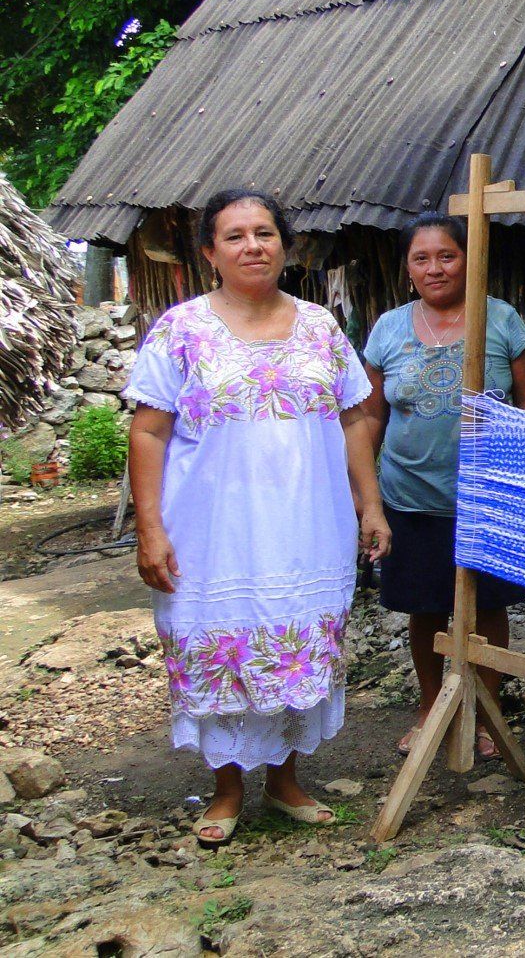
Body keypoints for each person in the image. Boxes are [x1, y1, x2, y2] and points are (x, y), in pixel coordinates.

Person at [126, 189, 390, 848]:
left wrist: (370, 504)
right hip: (211, 532)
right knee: (217, 644)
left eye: (265, 233)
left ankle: (284, 782)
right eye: (235, 236)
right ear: (210, 252)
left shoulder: (320, 327)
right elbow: (149, 432)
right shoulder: (181, 331)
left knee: (294, 646)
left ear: (285, 246)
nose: (253, 246)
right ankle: (226, 789)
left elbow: (354, 419)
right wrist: (150, 528)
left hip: (306, 527)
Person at [361, 212, 525, 758]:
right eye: (421, 258)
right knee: (426, 607)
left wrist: (522, 472)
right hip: (411, 496)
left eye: (447, 255)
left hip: (488, 496)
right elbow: (370, 416)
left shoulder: (500, 318)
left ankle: (485, 713)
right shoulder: (389, 328)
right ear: (408, 269)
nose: (435, 268)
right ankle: (429, 708)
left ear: (469, 260)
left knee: (487, 606)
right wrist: (365, 498)